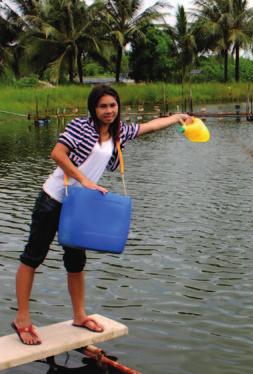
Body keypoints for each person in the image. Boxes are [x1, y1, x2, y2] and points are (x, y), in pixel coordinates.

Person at [12, 84, 190, 345]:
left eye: (113, 105)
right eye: (103, 106)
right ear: (93, 109)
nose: (109, 111)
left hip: (80, 205)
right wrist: (84, 180)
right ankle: (23, 319)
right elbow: (57, 153)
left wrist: (177, 118)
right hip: (53, 200)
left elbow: (150, 126)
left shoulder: (119, 132)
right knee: (33, 257)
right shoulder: (80, 127)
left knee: (76, 262)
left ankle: (79, 315)